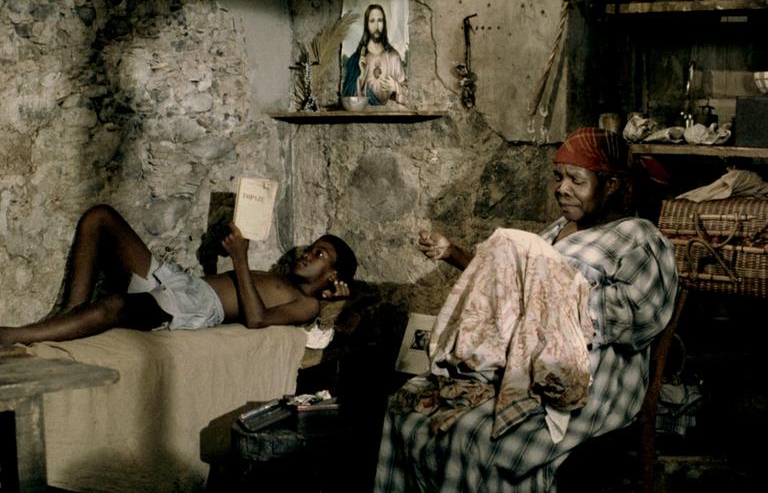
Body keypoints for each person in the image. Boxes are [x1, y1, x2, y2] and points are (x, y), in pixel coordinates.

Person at [374, 127, 679, 492]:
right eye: (559, 177)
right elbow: (508, 284)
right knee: (407, 413)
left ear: (610, 185)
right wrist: (453, 252)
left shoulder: (640, 239)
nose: (562, 188)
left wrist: (551, 303)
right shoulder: (560, 229)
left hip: (585, 385)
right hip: (516, 371)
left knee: (476, 438)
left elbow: (640, 318)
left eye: (576, 180)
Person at [0, 204, 357, 345]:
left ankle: (14, 336)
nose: (308, 253)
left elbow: (258, 320)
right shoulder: (285, 280)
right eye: (311, 247)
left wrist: (240, 259)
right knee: (100, 217)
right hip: (183, 282)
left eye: (319, 254)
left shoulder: (305, 304)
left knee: (113, 306)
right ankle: (69, 315)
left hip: (196, 306)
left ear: (331, 277)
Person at [342, 3, 408, 106]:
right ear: (367, 25)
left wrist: (396, 87)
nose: (377, 26)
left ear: (384, 24)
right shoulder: (357, 59)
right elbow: (346, 95)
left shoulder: (393, 57)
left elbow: (408, 93)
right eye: (372, 21)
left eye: (380, 21)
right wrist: (362, 77)